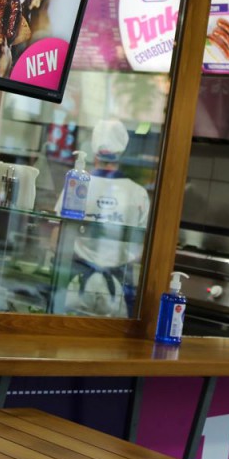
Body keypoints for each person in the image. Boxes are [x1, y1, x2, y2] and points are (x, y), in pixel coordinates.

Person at [56, 118, 150, 317]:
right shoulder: (138, 193)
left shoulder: (76, 185)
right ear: (122, 151)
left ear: (93, 149)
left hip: (76, 283)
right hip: (118, 287)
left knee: (68, 332)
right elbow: (142, 248)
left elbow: (57, 236)